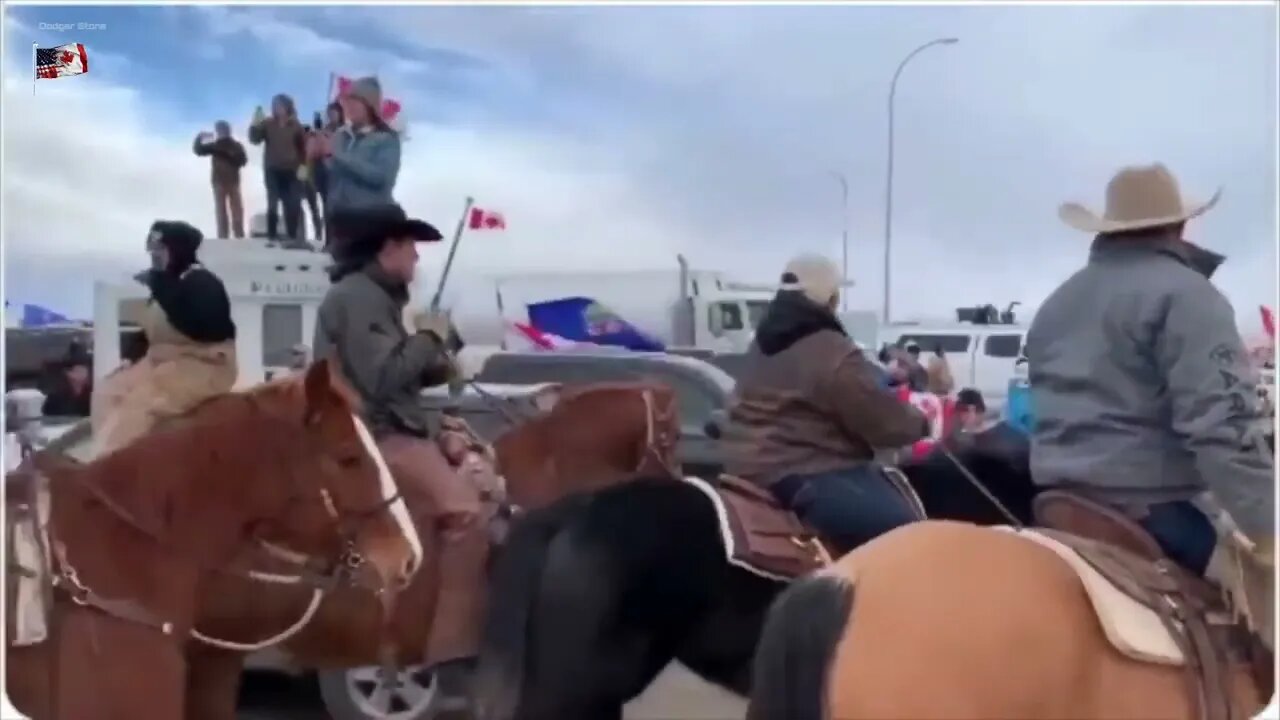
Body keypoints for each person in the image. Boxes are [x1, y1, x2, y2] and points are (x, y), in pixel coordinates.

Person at [1027, 163, 1273, 579]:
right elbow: (1224, 425)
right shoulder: (1190, 295)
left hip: (1059, 504)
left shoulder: (1058, 302)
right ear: (1178, 226)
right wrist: (1268, 524)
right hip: (1152, 509)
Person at [311, 203, 482, 711]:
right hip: (377, 437)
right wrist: (427, 337)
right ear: (386, 249)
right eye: (409, 247)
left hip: (388, 429)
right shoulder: (359, 299)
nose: (415, 258)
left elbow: (398, 372)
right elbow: (382, 379)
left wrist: (438, 353)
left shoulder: (374, 297)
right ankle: (453, 650)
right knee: (467, 515)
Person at [723, 254, 929, 554]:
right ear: (830, 298)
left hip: (745, 464)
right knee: (902, 529)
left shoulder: (762, 341)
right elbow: (878, 418)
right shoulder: (831, 350)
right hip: (804, 468)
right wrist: (919, 423)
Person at [91, 221, 238, 457]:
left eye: (160, 251)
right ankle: (99, 455)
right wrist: (131, 356)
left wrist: (165, 289)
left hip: (205, 364)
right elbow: (154, 332)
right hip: (162, 361)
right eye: (152, 252)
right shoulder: (166, 284)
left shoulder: (201, 282)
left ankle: (114, 470)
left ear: (177, 251)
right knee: (109, 392)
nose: (155, 258)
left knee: (143, 404)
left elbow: (208, 329)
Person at [313, 77, 402, 249]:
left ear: (370, 105)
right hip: (339, 223)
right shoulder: (341, 135)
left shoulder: (387, 139)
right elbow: (334, 174)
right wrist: (321, 155)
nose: (349, 106)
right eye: (347, 101)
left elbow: (380, 178)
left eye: (355, 101)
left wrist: (336, 155)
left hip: (369, 224)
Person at [248, 94, 307, 240]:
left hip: (291, 170)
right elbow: (255, 139)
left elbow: (303, 150)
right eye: (275, 105)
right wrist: (254, 125)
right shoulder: (268, 123)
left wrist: (303, 170)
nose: (277, 108)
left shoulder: (296, 125)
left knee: (292, 203)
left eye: (280, 105)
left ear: (287, 107)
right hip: (272, 169)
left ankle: (292, 235)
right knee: (272, 202)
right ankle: (272, 235)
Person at [192, 121, 248, 239]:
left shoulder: (236, 146)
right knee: (221, 210)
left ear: (228, 130)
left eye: (222, 129)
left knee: (236, 209)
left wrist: (228, 155)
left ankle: (239, 234)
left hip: (233, 181)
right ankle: (223, 236)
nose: (221, 132)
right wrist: (200, 137)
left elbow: (243, 161)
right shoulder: (215, 145)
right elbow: (198, 150)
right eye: (219, 130)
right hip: (218, 181)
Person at [41, 341, 93, 418]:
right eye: (78, 370)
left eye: (85, 370)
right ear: (68, 373)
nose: (84, 374)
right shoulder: (56, 397)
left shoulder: (93, 394)